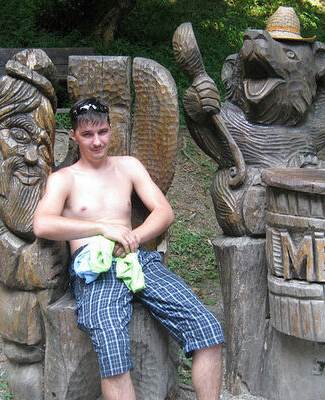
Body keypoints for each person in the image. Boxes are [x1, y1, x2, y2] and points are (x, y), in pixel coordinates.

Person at [33, 97, 224, 400]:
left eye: (102, 132)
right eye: (87, 135)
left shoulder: (128, 166)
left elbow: (164, 211)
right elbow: (42, 224)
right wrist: (101, 228)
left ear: (111, 130)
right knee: (112, 351)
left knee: (207, 329)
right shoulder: (64, 179)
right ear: (74, 136)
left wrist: (134, 236)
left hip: (137, 259)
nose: (97, 141)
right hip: (94, 269)